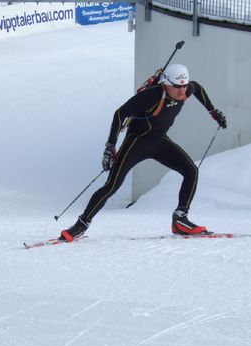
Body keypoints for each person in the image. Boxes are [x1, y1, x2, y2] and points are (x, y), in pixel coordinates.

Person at [60, 63, 227, 242]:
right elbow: (119, 115)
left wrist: (213, 111)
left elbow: (198, 88)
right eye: (177, 86)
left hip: (159, 141)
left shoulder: (186, 90)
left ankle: (180, 220)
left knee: (191, 170)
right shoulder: (151, 95)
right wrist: (110, 146)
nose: (181, 91)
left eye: (184, 86)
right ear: (165, 83)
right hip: (136, 144)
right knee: (111, 186)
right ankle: (81, 225)